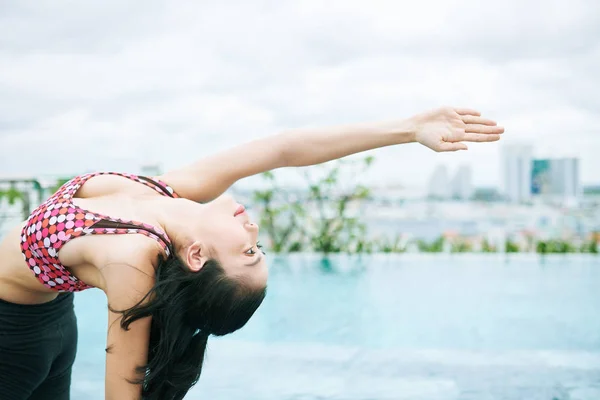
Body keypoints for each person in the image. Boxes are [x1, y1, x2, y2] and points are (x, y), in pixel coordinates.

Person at [0, 107, 504, 400]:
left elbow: (124, 386)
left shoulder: (133, 256)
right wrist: (409, 129)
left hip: (12, 339)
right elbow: (284, 149)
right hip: (46, 324)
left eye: (250, 250)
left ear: (197, 256)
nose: (254, 229)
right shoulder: (169, 196)